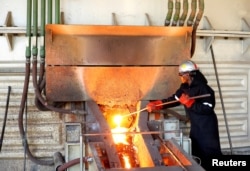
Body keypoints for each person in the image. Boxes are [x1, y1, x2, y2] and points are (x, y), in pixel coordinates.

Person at [147, 60, 222, 169]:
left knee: (210, 152)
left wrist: (190, 103)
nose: (181, 77)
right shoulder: (184, 88)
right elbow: (174, 99)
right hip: (196, 125)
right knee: (197, 150)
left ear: (189, 74)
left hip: (207, 126)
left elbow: (208, 108)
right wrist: (158, 104)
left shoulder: (204, 88)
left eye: (182, 75)